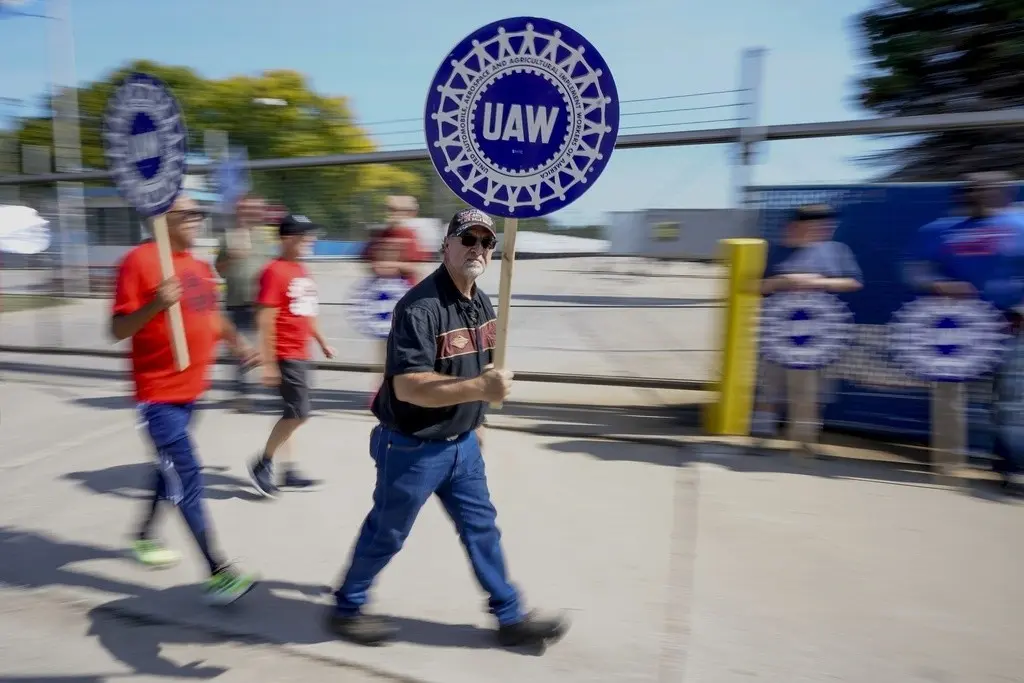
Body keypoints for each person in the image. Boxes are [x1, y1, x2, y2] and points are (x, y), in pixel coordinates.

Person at [326, 207, 569, 649]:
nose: (477, 248)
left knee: (482, 529)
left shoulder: (482, 301)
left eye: (486, 242)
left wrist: (479, 419)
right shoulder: (419, 307)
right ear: (446, 246)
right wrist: (479, 388)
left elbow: (476, 369)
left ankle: (510, 615)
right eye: (468, 240)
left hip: (463, 447)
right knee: (388, 532)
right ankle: (347, 605)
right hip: (412, 448)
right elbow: (409, 387)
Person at [111, 194, 259, 605]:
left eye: (199, 212)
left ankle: (141, 536)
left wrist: (237, 342)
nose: (197, 219)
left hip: (190, 393)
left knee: (168, 470)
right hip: (157, 397)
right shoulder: (138, 262)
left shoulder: (197, 266)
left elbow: (210, 314)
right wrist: (157, 303)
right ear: (161, 220)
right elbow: (118, 329)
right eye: (188, 213)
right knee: (188, 477)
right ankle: (219, 572)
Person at [903, 171, 1024, 495]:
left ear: (1005, 193)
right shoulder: (939, 231)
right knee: (948, 398)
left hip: (1011, 328)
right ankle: (948, 466)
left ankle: (1013, 469)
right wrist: (937, 283)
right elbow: (914, 267)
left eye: (988, 189)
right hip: (955, 333)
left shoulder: (1020, 225)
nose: (979, 194)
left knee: (1013, 404)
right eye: (973, 190)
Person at [751, 203, 864, 439]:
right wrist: (783, 280)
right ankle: (761, 433)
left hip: (818, 335)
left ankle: (803, 438)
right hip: (778, 333)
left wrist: (819, 282)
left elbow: (853, 283)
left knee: (812, 389)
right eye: (816, 226)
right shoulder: (773, 251)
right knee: (769, 385)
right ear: (795, 226)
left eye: (827, 226)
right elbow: (755, 287)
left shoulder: (837, 250)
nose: (824, 230)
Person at [247, 214, 336, 497]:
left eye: (310, 236)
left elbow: (306, 312)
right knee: (299, 413)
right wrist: (269, 363)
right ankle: (263, 462)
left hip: (301, 352)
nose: (309, 240)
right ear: (286, 238)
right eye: (303, 236)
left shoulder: (301, 271)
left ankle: (289, 470)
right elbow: (265, 319)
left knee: (292, 412)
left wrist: (321, 341)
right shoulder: (274, 271)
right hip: (285, 354)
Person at [214, 195, 272, 411]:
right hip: (236, 302)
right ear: (239, 211)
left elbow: (271, 268)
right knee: (240, 352)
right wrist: (231, 257)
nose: (252, 213)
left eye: (256, 209)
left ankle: (277, 391)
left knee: (268, 348)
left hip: (261, 304)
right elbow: (219, 269)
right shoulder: (228, 238)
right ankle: (242, 394)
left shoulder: (265, 238)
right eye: (247, 209)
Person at [362, 195, 424, 287]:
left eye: (398, 210)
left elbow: (413, 267)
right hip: (380, 287)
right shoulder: (380, 235)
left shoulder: (409, 235)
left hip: (403, 288)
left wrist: (387, 265)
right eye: (391, 209)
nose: (394, 214)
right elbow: (370, 263)